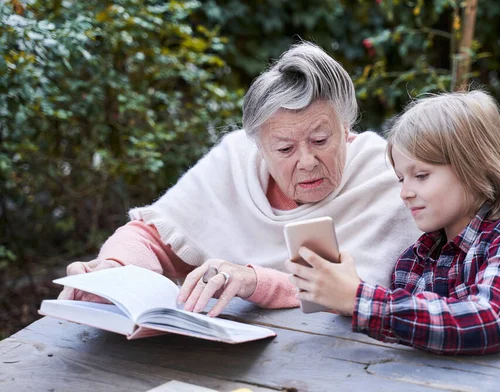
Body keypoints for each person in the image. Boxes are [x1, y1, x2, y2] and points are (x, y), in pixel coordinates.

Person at [58, 42, 421, 317]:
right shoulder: (235, 158)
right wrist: (112, 269)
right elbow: (153, 235)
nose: (307, 161)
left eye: (321, 140)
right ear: (259, 147)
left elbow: (361, 291)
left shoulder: (386, 172)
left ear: (346, 128)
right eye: (284, 149)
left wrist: (253, 279)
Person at [285, 90, 500, 355]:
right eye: (401, 179)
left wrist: (358, 299)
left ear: (475, 168)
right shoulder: (415, 259)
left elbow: (490, 323)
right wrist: (343, 299)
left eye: (422, 175)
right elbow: (407, 334)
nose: (405, 193)